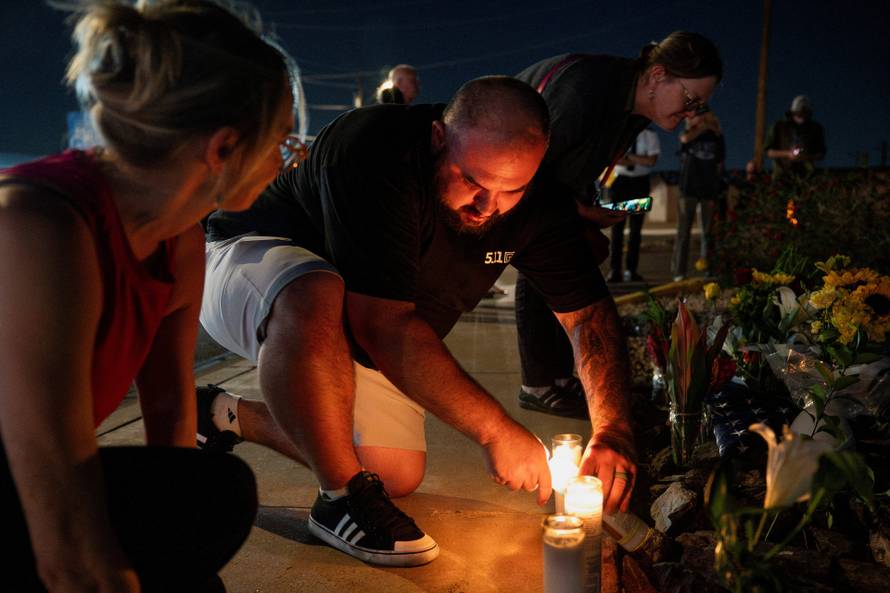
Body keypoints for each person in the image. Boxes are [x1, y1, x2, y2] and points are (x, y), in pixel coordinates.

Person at [198, 76, 635, 566]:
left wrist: (613, 429)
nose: (487, 207)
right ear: (437, 138)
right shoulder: (372, 150)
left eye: (511, 189)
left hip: (353, 322)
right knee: (315, 288)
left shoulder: (539, 204)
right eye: (472, 181)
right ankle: (340, 501)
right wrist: (495, 431)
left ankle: (219, 413)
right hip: (245, 263)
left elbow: (588, 318)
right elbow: (383, 326)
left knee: (393, 473)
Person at [0, 1, 297, 591]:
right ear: (222, 148)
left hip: (27, 471)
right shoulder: (40, 228)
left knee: (214, 493)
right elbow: (62, 524)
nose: (284, 161)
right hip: (18, 472)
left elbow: (168, 412)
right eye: (280, 142)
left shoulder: (178, 241)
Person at [513, 31, 723, 418]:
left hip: (551, 189)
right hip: (508, 180)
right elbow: (529, 173)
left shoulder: (632, 108)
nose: (692, 112)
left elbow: (576, 165)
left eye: (700, 104)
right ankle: (539, 384)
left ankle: (558, 379)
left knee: (568, 258)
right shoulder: (588, 89)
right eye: (691, 99)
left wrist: (587, 208)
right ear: (658, 75)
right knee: (542, 260)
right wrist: (581, 213)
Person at [672, 109, 725, 280]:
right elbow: (685, 140)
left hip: (708, 190)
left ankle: (707, 269)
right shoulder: (688, 133)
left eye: (704, 114)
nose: (700, 118)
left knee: (707, 233)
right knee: (683, 233)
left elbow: (720, 163)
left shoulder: (717, 137)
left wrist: (712, 127)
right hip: (688, 189)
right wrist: (702, 127)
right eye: (698, 115)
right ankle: (679, 272)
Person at [607, 127, 660, 283]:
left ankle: (631, 271)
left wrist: (628, 156)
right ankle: (614, 271)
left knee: (635, 230)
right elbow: (613, 157)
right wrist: (639, 158)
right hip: (621, 183)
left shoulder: (649, 134)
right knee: (617, 229)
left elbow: (651, 160)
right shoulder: (620, 133)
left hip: (639, 183)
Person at [765, 95, 826, 178]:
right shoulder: (778, 127)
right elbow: (768, 152)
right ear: (792, 112)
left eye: (805, 115)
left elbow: (821, 153)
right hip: (782, 176)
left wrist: (806, 157)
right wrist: (787, 154)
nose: (802, 119)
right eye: (799, 115)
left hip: (807, 177)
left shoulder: (815, 129)